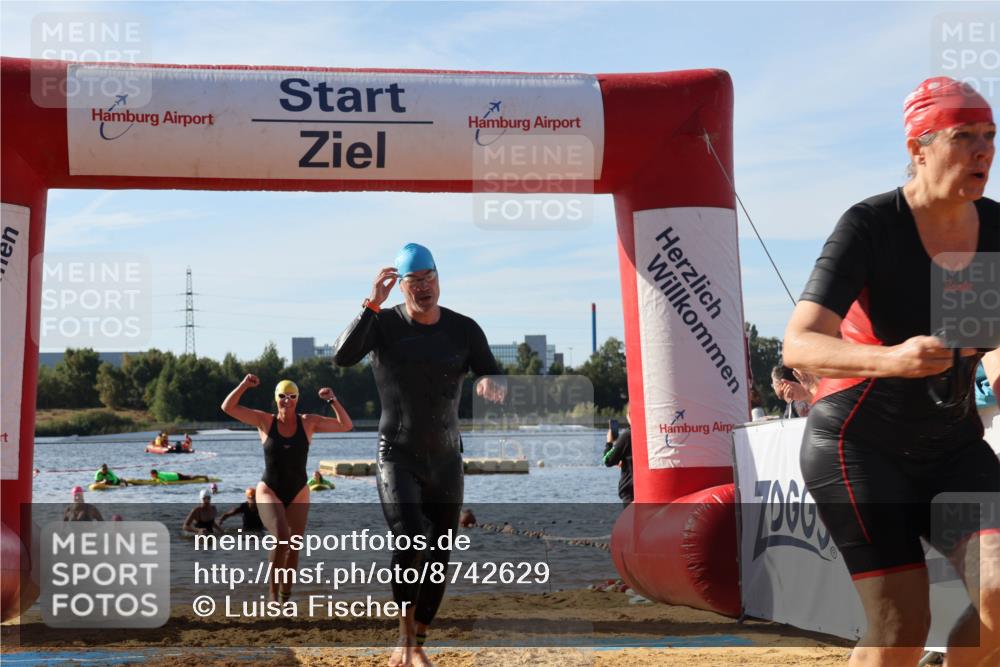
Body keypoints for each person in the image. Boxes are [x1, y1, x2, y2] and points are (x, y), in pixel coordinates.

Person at [784, 77, 999, 667]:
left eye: (990, 136)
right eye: (963, 137)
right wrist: (891, 358)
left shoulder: (996, 231)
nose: (983, 151)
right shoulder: (872, 225)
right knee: (900, 624)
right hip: (859, 445)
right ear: (919, 148)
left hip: (952, 445)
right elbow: (799, 343)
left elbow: (994, 340)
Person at [334, 243, 505, 667]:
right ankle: (404, 640)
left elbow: (489, 368)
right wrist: (371, 302)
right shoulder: (383, 325)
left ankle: (419, 643)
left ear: (439, 278)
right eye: (415, 282)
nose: (424, 289)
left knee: (440, 552)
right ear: (401, 286)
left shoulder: (464, 329)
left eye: (430, 279)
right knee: (410, 538)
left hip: (446, 458)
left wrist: (490, 381)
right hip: (397, 454)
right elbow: (342, 356)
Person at [221, 374, 352, 603]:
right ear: (276, 398)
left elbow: (346, 425)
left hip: (299, 490)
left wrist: (332, 400)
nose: (287, 400)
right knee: (282, 538)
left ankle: (285, 597)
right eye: (282, 396)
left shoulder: (308, 422)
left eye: (292, 396)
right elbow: (228, 407)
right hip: (269, 489)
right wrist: (244, 385)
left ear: (297, 399)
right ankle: (272, 594)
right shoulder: (265, 421)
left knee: (294, 546)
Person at [603, 403, 633, 506]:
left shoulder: (627, 436)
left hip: (631, 493)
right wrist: (626, 460)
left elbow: (607, 460)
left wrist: (609, 442)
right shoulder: (651, 434)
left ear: (629, 415)